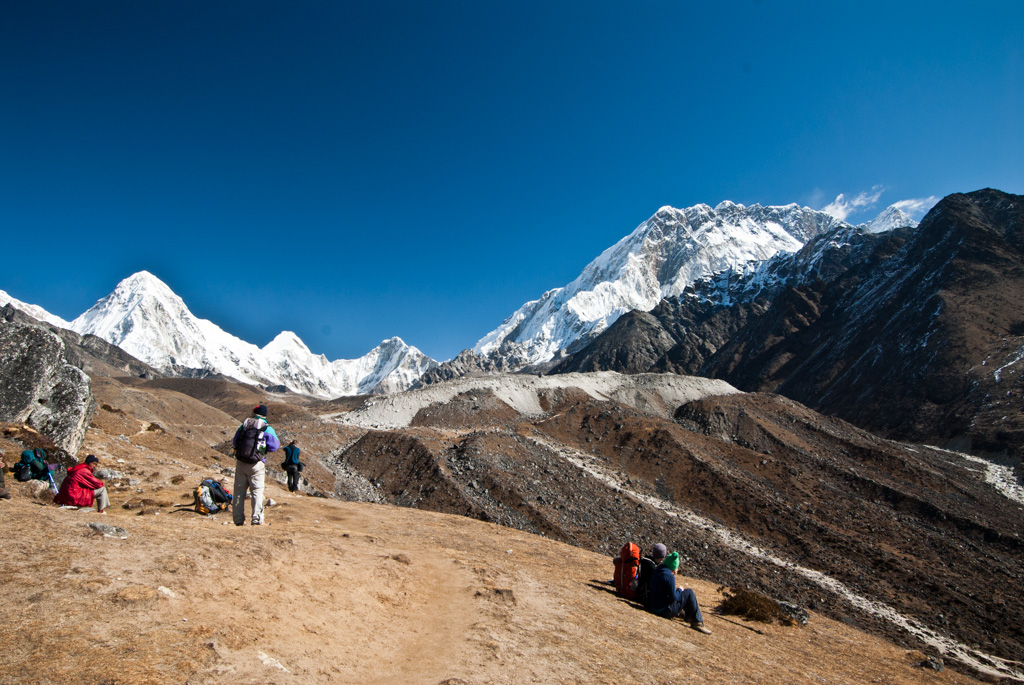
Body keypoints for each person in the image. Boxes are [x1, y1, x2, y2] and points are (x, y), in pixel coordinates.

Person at [645, 544, 712, 634]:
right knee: (689, 592)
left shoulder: (658, 570)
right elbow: (674, 598)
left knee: (684, 593)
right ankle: (697, 622)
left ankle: (689, 617)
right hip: (663, 611)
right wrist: (680, 590)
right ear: (673, 567)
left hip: (653, 607)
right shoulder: (669, 576)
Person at [231, 404, 280, 526]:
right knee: (257, 491)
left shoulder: (245, 425)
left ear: (254, 413)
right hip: (257, 463)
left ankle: (238, 519)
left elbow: (235, 442)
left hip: (241, 462)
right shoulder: (266, 427)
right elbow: (275, 446)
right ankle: (257, 519)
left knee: (239, 491)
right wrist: (262, 449)